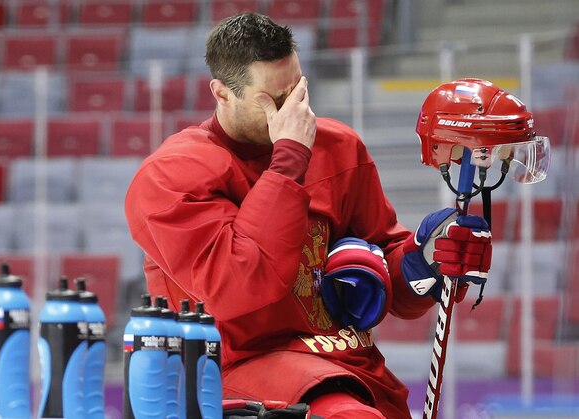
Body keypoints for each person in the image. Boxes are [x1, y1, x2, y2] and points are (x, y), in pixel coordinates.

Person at [125, 13, 500, 419]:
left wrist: (425, 260)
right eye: (274, 100)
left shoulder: (339, 147)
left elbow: (382, 280)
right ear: (222, 93)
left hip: (348, 367)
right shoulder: (171, 174)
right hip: (237, 368)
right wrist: (288, 160)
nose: (295, 113)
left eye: (298, 91)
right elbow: (241, 284)